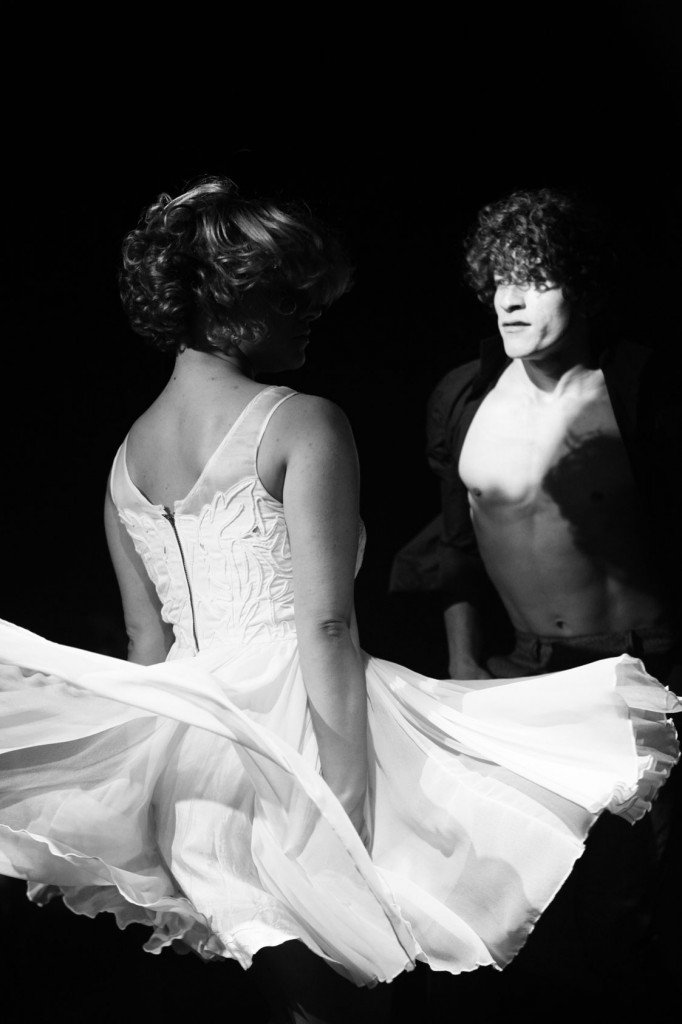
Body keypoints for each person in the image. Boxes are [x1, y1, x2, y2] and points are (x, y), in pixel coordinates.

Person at [0, 179, 679, 1024]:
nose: (312, 314)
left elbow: (148, 651)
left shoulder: (123, 462)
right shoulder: (301, 423)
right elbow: (323, 624)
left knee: (303, 1003)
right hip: (308, 747)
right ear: (226, 298)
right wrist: (345, 801)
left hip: (195, 768)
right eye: (289, 295)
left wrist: (140, 802)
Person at [411, 187, 681, 1011]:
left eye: (537, 278)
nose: (512, 299)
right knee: (533, 915)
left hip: (640, 675)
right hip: (524, 678)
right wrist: (463, 666)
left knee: (639, 914)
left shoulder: (638, 388)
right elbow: (454, 549)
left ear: (584, 287)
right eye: (500, 278)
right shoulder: (464, 397)